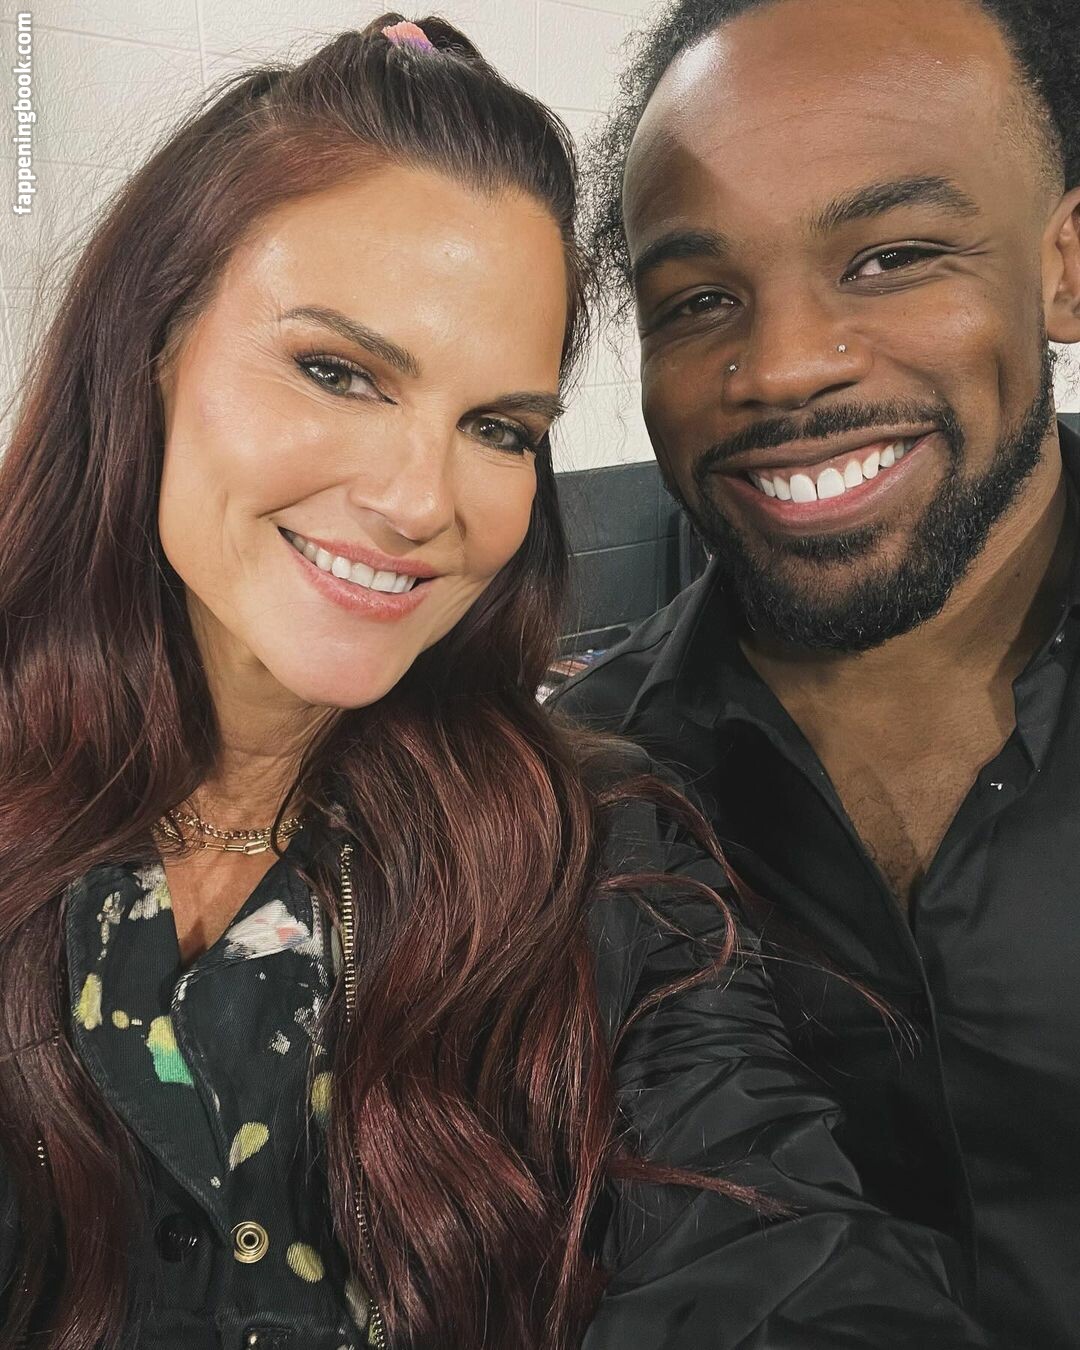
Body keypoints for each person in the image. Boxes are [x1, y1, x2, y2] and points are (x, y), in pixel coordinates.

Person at [0, 13, 994, 1350]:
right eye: (339, 371)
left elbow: (770, 1246)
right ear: (150, 352)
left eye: (496, 427)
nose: (422, 500)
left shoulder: (587, 852)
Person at [554, 0, 1080, 1344]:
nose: (784, 368)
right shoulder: (580, 801)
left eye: (890, 258)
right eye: (699, 301)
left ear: (1064, 267)